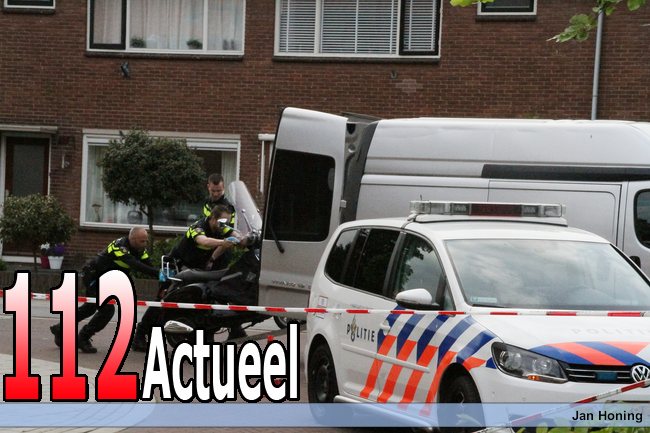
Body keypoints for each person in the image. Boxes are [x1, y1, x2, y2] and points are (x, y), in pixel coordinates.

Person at [131, 205, 241, 352]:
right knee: (163, 301)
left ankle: (213, 336)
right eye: (222, 221)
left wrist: (243, 239)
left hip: (195, 269)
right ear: (213, 218)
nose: (225, 224)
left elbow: (234, 234)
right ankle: (139, 335)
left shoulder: (221, 227)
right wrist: (223, 242)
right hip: (176, 266)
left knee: (207, 299)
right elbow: (204, 241)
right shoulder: (198, 227)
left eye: (227, 221)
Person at [50, 227, 159, 353]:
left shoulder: (140, 250)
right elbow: (136, 265)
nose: (145, 244)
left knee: (90, 307)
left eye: (146, 241)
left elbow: (148, 265)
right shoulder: (120, 247)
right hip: (94, 276)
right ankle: (83, 337)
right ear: (133, 239)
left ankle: (60, 328)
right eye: (142, 241)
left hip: (105, 280)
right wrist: (158, 273)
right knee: (107, 310)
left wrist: (162, 274)